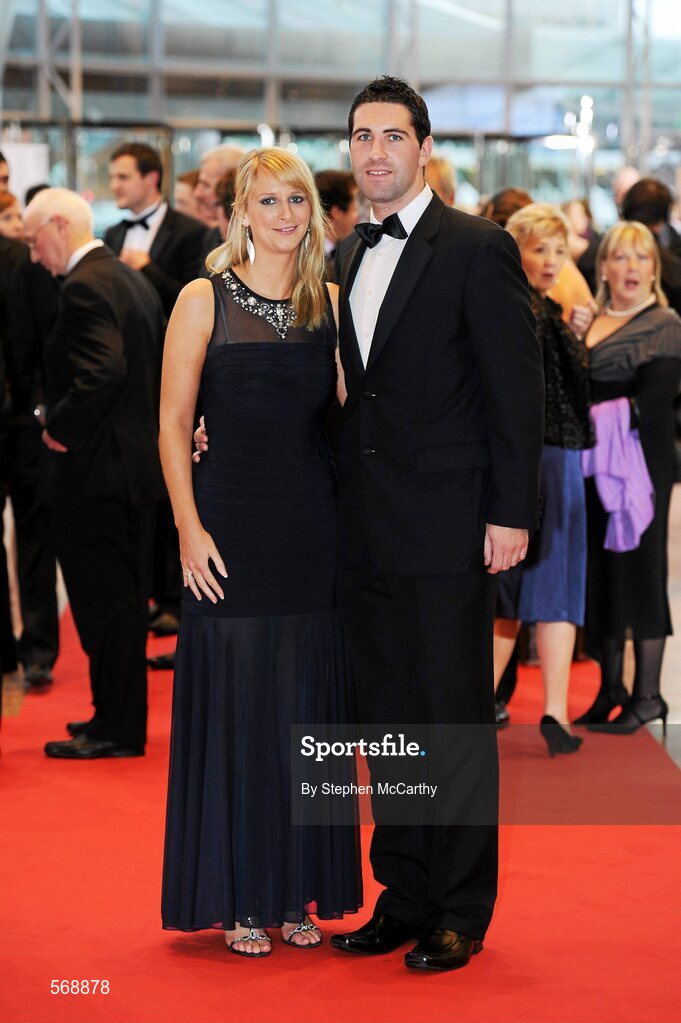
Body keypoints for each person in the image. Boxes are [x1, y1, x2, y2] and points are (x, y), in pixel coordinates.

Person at [329, 77, 544, 972]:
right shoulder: (342, 256)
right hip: (362, 532)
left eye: (391, 136)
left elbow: (514, 391)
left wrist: (509, 514)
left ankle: (459, 905)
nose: (374, 152)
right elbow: (346, 397)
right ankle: (403, 891)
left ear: (422, 147)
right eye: (360, 137)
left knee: (450, 720)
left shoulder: (476, 247)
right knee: (385, 722)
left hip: (451, 526)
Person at [160, 148, 362, 956]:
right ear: (239, 212)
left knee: (303, 713)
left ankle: (293, 892)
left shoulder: (334, 303)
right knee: (242, 713)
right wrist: (187, 526)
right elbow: (174, 424)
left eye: (297, 201)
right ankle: (242, 894)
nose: (284, 214)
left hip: (311, 534)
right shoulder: (200, 299)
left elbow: (359, 418)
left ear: (313, 213)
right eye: (268, 201)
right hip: (228, 534)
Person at [24, 188, 165, 758]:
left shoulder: (85, 285)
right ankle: (112, 716)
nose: (35, 256)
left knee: (106, 607)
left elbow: (101, 373)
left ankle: (116, 727)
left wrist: (58, 426)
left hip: (98, 475)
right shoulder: (125, 277)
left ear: (59, 225)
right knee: (121, 605)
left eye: (35, 242)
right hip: (132, 471)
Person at [493, 204, 594, 755]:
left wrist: (580, 337)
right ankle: (493, 708)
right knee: (510, 590)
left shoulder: (552, 312)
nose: (552, 260)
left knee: (548, 590)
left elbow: (578, 396)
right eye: (540, 249)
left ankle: (554, 711)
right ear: (518, 251)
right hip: (529, 461)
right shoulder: (516, 309)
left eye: (559, 249)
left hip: (557, 459)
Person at [575, 221, 681, 733]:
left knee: (641, 572)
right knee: (603, 573)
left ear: (654, 269)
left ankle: (649, 694)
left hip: (641, 467)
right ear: (603, 267)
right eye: (620, 258)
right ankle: (610, 686)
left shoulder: (663, 322)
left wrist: (586, 419)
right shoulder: (590, 318)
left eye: (642, 259)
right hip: (592, 467)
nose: (631, 268)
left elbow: (655, 406)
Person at [105, 142, 206, 320]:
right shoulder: (113, 234)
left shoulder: (192, 231)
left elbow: (195, 300)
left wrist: (146, 268)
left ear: (151, 179)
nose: (114, 185)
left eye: (123, 177)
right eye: (111, 177)